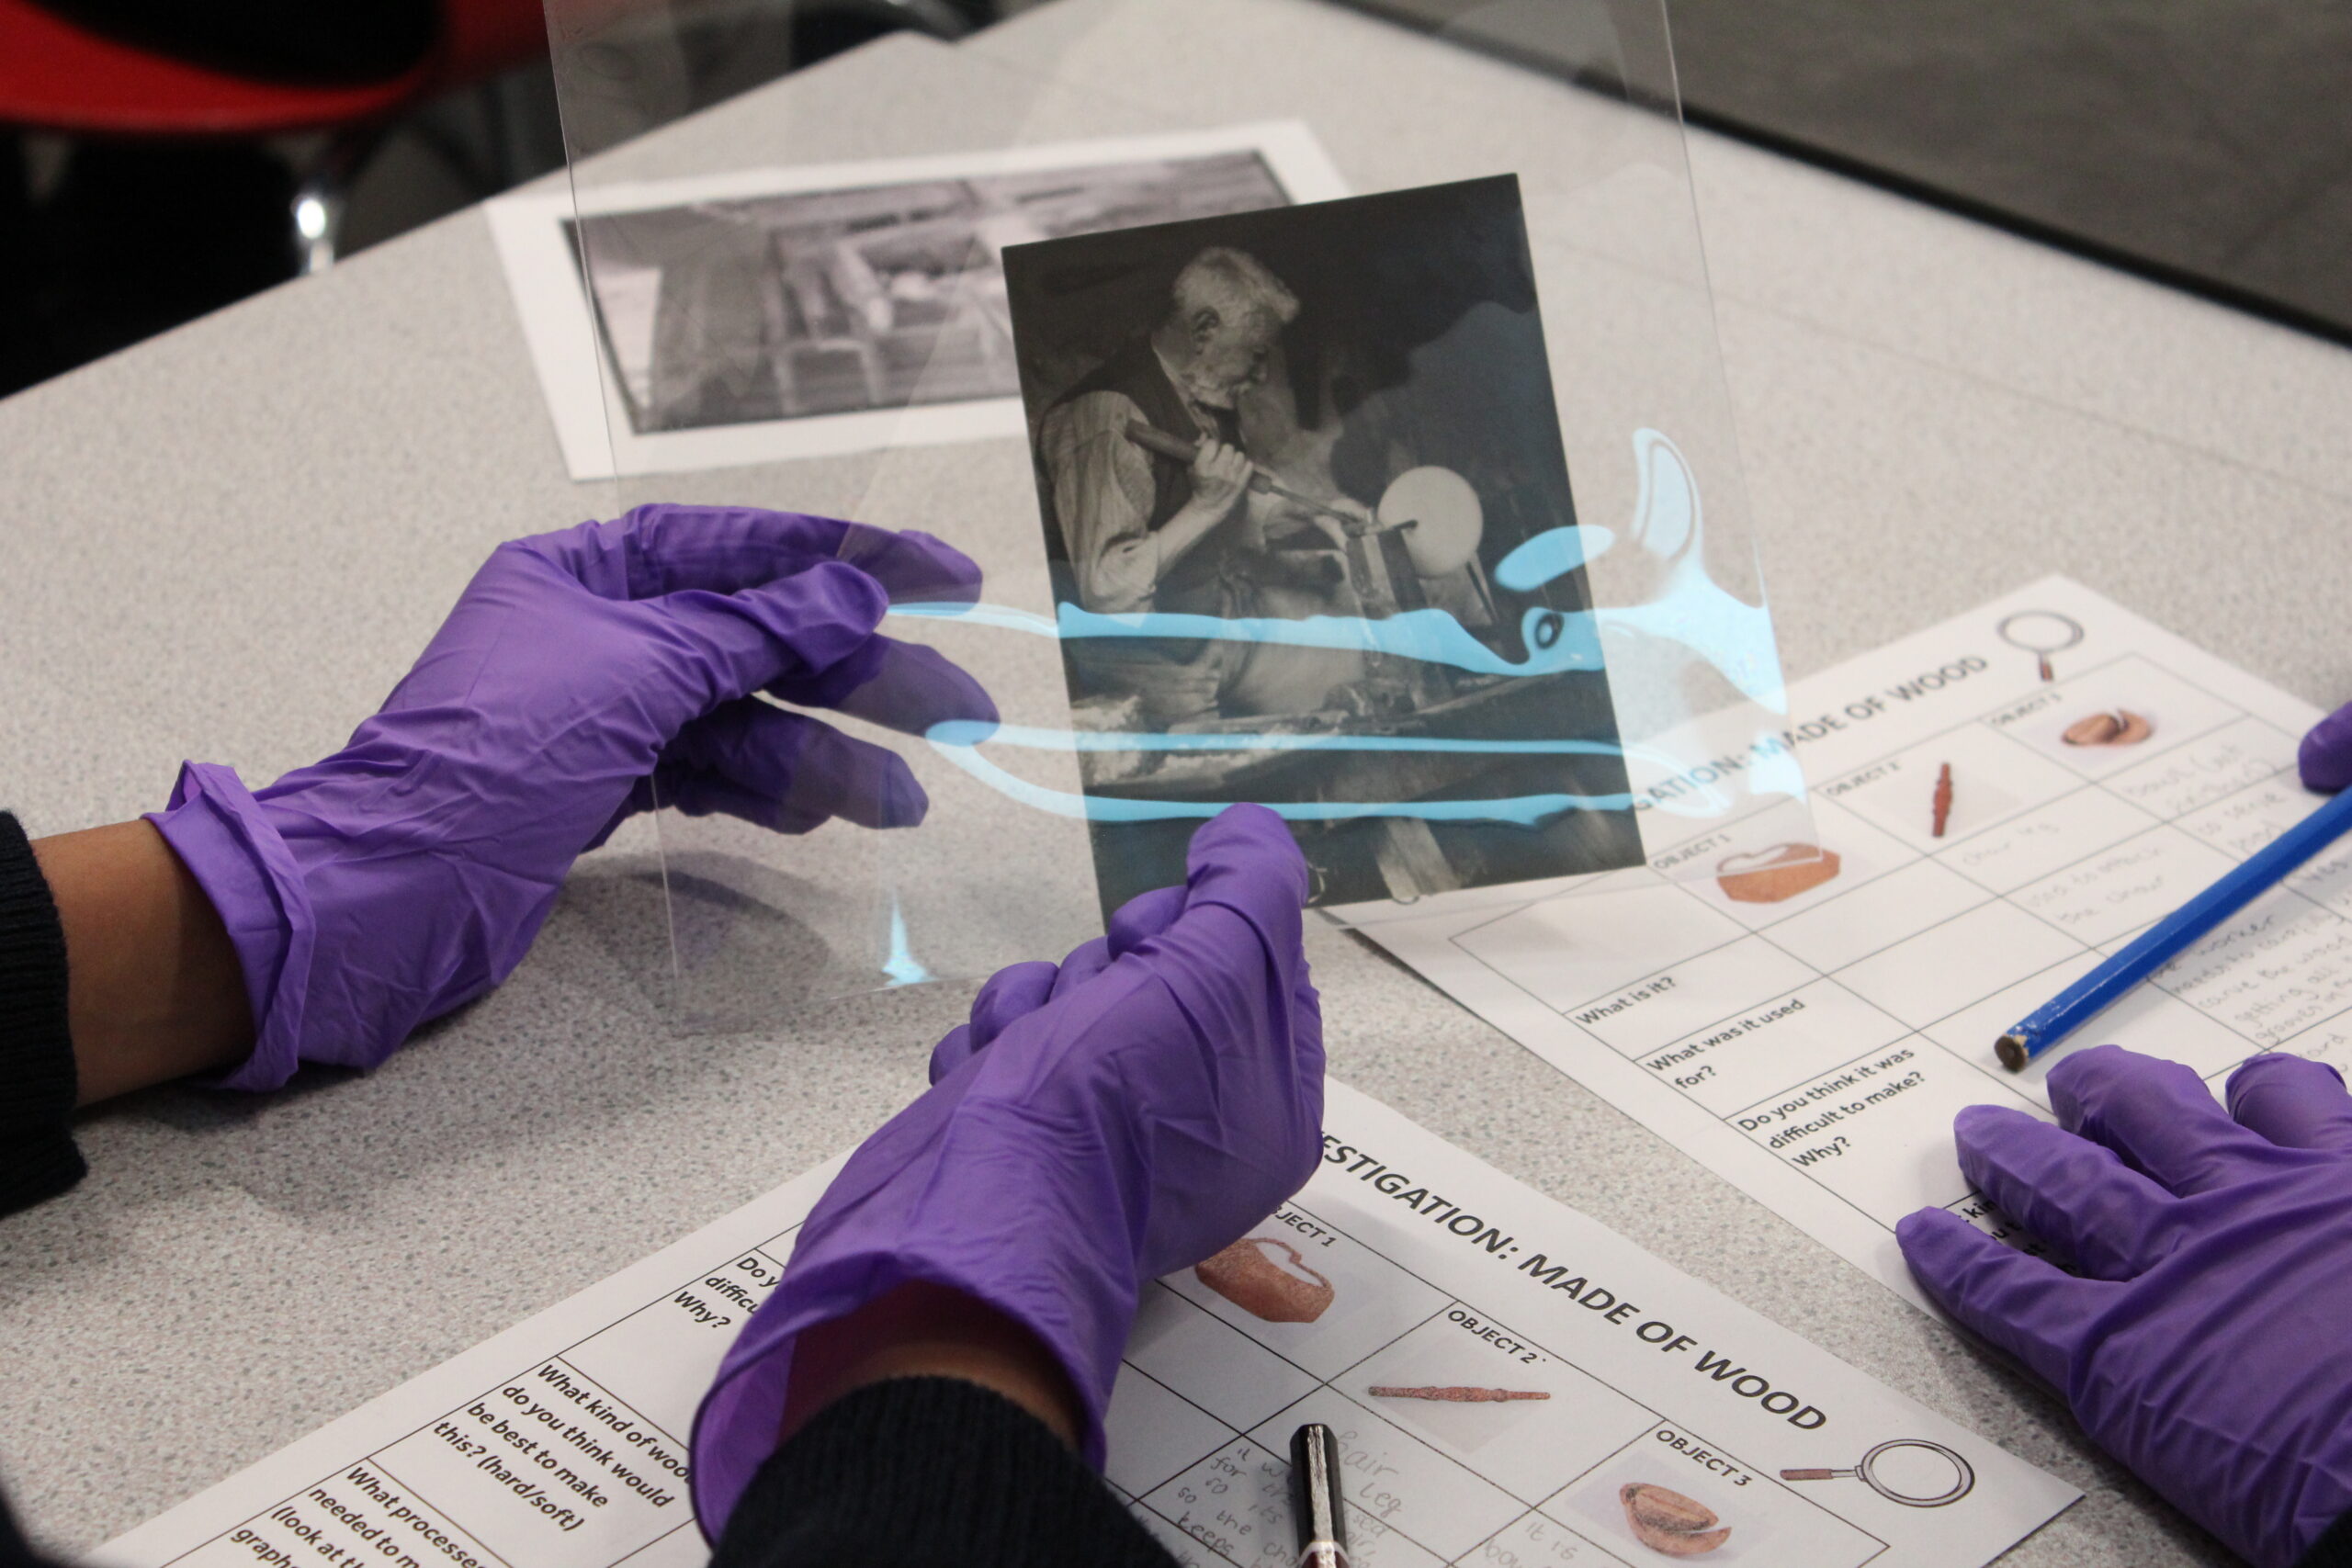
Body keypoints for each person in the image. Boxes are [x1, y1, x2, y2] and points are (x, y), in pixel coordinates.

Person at [1036, 245, 1363, 728]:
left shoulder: (1203, 395)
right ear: (1204, 330)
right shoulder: (1105, 417)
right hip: (1146, 664)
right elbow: (1109, 595)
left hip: (1214, 629)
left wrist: (1315, 510)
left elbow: (1233, 502)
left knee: (1350, 682)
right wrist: (1206, 507)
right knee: (1230, 779)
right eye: (1255, 354)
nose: (1262, 374)